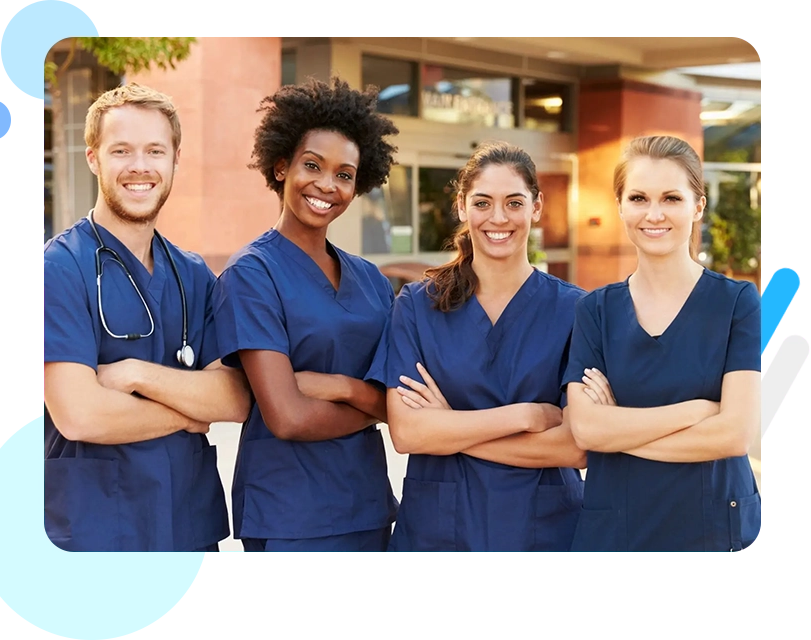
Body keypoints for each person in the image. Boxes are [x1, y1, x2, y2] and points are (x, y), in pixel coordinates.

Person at [43, 83, 251, 552]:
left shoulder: (194, 274)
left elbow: (234, 399)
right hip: (97, 530)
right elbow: (79, 415)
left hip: (187, 528)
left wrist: (135, 374)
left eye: (155, 150)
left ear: (176, 159)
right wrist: (187, 410)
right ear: (93, 157)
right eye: (122, 150)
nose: (140, 166)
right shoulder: (61, 266)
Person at [211, 77, 400, 552]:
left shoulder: (372, 280)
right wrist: (372, 406)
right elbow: (288, 417)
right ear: (281, 167)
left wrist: (341, 387)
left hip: (369, 506)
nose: (326, 185)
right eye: (312, 165)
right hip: (290, 514)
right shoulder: (252, 274)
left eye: (344, 174)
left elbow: (398, 404)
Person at [374, 141, 586, 552]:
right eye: (483, 203)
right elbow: (408, 433)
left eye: (514, 202)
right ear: (461, 206)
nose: (498, 218)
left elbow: (575, 447)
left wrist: (449, 427)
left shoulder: (576, 310)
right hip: (440, 534)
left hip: (543, 535)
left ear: (536, 207)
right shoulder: (417, 306)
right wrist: (525, 415)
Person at [562, 135, 761, 552]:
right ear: (620, 206)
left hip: (712, 532)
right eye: (638, 198)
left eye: (671, 198)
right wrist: (696, 412)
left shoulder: (736, 303)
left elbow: (733, 436)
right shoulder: (595, 310)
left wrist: (619, 428)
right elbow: (585, 429)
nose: (654, 214)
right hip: (618, 533)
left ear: (698, 206)